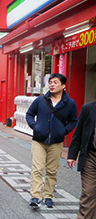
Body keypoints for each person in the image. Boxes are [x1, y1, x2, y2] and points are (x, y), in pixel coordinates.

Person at [26, 73, 78, 209]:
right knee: (37, 169)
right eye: (50, 82)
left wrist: (64, 131)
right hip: (39, 140)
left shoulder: (70, 103)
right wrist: (34, 127)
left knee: (52, 170)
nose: (52, 85)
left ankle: (48, 196)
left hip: (56, 141)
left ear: (63, 85)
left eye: (55, 82)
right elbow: (29, 114)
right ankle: (36, 196)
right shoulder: (40, 100)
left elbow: (73, 120)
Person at [67, 101, 96, 219]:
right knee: (89, 191)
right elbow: (78, 132)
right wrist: (72, 154)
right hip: (91, 155)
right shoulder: (88, 108)